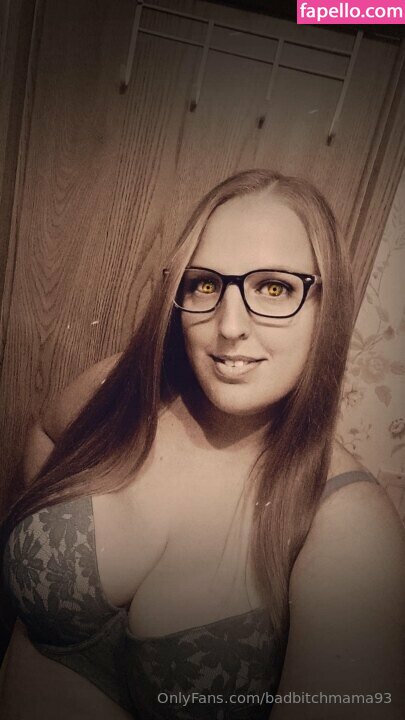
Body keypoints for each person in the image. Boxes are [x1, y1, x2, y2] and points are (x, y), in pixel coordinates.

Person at [1, 169, 404, 720]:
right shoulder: (124, 389)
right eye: (206, 284)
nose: (229, 325)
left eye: (274, 288)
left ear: (325, 308)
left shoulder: (350, 528)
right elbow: (46, 432)